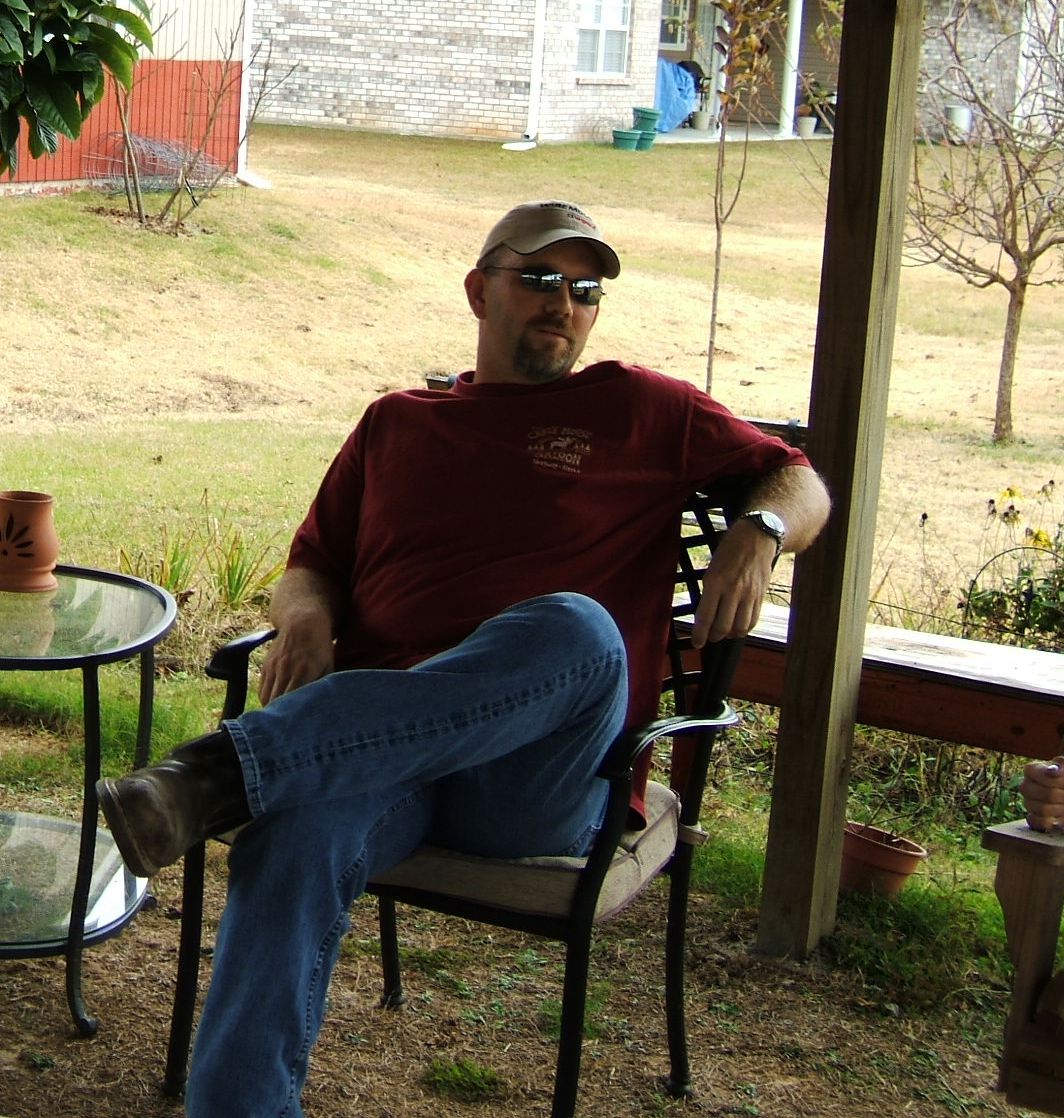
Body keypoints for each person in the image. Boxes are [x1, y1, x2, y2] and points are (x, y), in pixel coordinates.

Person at [98, 198, 831, 1118]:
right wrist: (306, 616)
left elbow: (800, 482)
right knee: (290, 841)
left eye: (586, 290)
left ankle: (218, 775)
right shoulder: (396, 424)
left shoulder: (644, 408)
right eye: (541, 278)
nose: (564, 302)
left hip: (536, 778)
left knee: (578, 628)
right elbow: (311, 565)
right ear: (480, 291)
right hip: (385, 762)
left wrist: (760, 531)